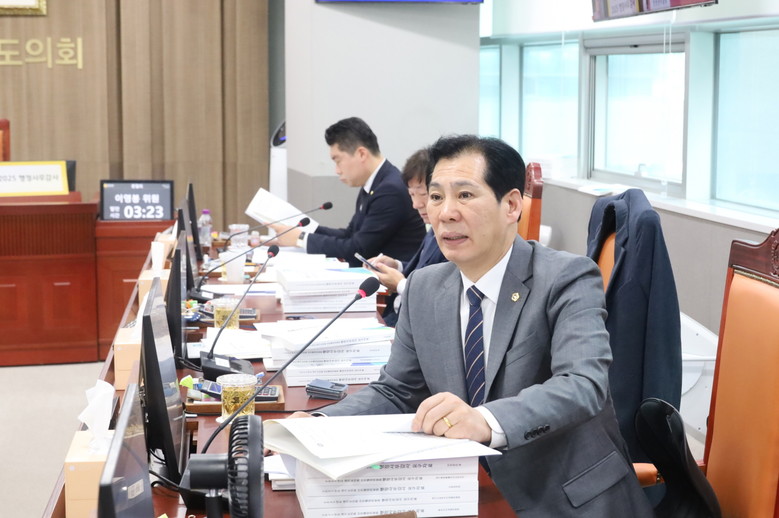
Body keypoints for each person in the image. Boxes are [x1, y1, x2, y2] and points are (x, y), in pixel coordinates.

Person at [296, 135, 653, 517]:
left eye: (465, 195)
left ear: (511, 205)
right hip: (461, 491)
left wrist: (483, 420)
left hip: (564, 498)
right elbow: (397, 390)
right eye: (436, 197)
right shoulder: (424, 288)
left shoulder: (566, 277)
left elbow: (582, 385)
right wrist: (320, 424)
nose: (446, 213)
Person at [270, 117, 425, 267]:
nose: (337, 170)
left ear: (361, 154)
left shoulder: (389, 190)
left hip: (390, 281)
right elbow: (350, 234)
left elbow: (357, 249)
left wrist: (301, 238)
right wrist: (305, 230)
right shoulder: (374, 182)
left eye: (338, 161)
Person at [369, 147, 447, 327]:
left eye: (423, 194)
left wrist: (400, 284)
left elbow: (441, 297)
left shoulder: (452, 237)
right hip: (397, 317)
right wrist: (397, 265)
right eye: (412, 194)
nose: (416, 204)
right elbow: (423, 268)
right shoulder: (433, 229)